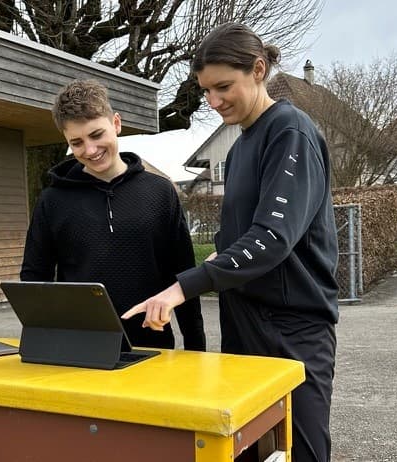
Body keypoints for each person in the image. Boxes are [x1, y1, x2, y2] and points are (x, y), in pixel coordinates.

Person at [123, 23, 338, 462]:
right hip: (243, 322)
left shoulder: (289, 131)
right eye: (206, 91)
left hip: (293, 329)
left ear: (258, 70)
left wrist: (183, 286)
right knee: (245, 452)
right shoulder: (239, 149)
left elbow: (273, 238)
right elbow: (238, 240)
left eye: (224, 86)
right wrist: (219, 256)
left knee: (302, 454)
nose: (214, 101)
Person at [20, 79, 206, 352]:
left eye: (97, 135)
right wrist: (42, 347)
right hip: (78, 352)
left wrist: (196, 348)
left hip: (151, 349)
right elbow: (34, 281)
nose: (90, 150)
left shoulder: (160, 192)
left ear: (116, 124)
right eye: (77, 142)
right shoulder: (52, 201)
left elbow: (183, 275)